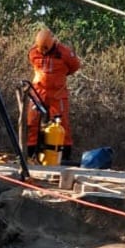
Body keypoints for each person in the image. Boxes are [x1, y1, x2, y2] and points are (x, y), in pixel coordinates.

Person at [26, 28, 81, 161]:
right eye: (41, 49)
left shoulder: (65, 53)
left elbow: (75, 66)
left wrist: (59, 77)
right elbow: (33, 63)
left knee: (61, 124)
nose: (43, 51)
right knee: (31, 122)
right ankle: (30, 154)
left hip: (57, 94)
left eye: (46, 48)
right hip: (38, 92)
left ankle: (64, 157)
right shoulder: (33, 52)